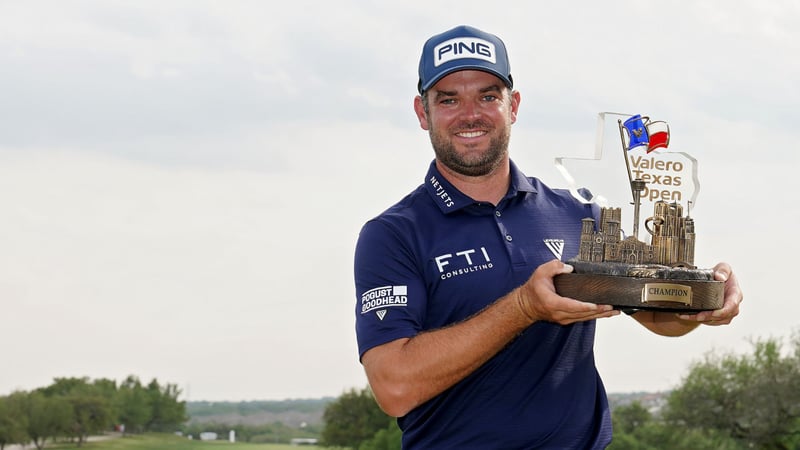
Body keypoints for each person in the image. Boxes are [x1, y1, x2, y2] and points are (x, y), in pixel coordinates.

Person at [353, 25, 742, 449]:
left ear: (513, 105)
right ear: (422, 112)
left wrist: (700, 301)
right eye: (448, 99)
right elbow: (394, 387)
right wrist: (524, 306)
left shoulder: (580, 213)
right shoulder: (393, 235)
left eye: (488, 95)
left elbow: (656, 315)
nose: (471, 114)